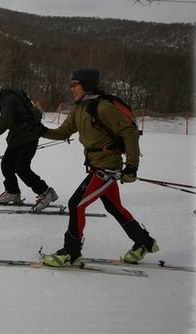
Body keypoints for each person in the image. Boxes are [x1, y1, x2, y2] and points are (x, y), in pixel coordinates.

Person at [40, 68, 158, 267]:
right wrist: (39, 130)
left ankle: (71, 251)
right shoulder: (79, 108)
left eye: (74, 84)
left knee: (76, 204)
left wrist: (131, 167)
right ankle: (144, 242)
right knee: (114, 207)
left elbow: (130, 132)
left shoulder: (102, 107)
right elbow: (63, 132)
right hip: (96, 167)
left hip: (107, 168)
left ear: (86, 85)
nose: (71, 89)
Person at [0, 80, 58, 211]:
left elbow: (3, 124)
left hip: (28, 137)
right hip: (18, 137)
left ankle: (46, 192)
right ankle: (12, 193)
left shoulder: (8, 100)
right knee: (6, 164)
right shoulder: (6, 98)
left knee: (21, 168)